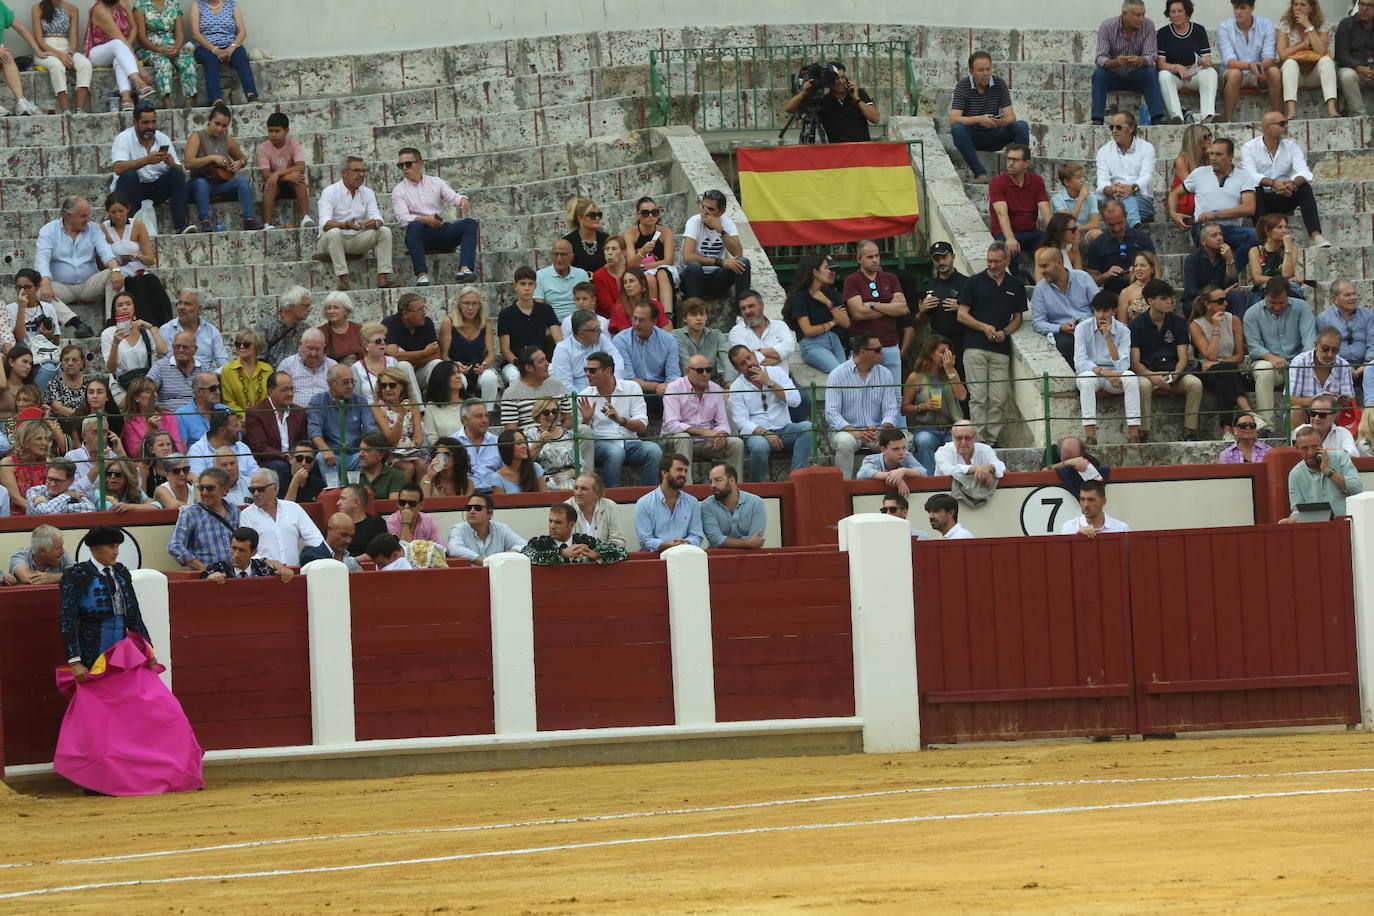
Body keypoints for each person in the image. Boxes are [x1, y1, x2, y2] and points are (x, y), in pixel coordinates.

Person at [956, 241, 1026, 447]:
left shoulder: (1016, 285)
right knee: (978, 397)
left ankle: (991, 441)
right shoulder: (973, 282)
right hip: (975, 346)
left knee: (998, 398)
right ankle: (977, 441)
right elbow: (961, 314)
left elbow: (1018, 318)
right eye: (989, 261)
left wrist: (1005, 332)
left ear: (1007, 260)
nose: (992, 265)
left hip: (1001, 349)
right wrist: (983, 327)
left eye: (996, 261)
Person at [59, 524, 151, 673]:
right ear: (95, 548)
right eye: (111, 547)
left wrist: (148, 650)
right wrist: (75, 661)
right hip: (91, 654)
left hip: (123, 653)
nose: (116, 552)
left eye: (117, 547)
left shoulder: (121, 572)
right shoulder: (77, 574)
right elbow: (67, 620)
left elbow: (134, 616)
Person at [392, 146, 478, 286]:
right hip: (419, 236)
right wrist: (425, 219)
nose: (404, 168)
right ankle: (421, 275)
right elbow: (402, 219)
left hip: (440, 230)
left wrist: (462, 199)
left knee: (469, 223)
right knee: (414, 225)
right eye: (400, 165)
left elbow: (453, 197)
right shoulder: (399, 191)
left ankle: (465, 269)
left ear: (420, 163)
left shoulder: (435, 182)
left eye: (408, 164)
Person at [727, 344, 814, 483]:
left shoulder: (777, 372)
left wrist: (770, 383)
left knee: (807, 427)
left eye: (749, 358)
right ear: (737, 369)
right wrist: (765, 433)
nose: (749, 363)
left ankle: (795, 479)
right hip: (758, 435)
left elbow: (795, 401)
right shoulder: (737, 387)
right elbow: (741, 421)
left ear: (754, 356)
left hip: (784, 429)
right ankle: (760, 488)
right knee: (759, 446)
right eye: (743, 363)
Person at [1130, 278, 1204, 440]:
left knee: (1195, 384)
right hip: (1148, 374)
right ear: (1150, 301)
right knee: (1142, 386)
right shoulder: (1136, 325)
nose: (1169, 301)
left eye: (1170, 297)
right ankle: (1144, 433)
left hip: (1173, 373)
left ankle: (1189, 431)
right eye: (1163, 298)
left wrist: (1176, 373)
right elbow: (1135, 363)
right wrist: (1152, 376)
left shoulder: (1178, 323)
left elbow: (1183, 357)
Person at [1240, 111, 1328, 248]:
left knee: (1304, 187)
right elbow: (1250, 174)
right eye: (1282, 124)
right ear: (1267, 127)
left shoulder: (1291, 146)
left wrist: (1292, 184)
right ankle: (1263, 240)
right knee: (1255, 188)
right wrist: (1274, 183)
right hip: (1263, 199)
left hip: (1285, 194)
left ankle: (1316, 235)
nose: (1286, 126)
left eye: (1286, 123)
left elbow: (1304, 171)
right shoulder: (1249, 148)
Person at [577, 351, 661, 488]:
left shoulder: (632, 388)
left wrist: (621, 421)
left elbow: (642, 426)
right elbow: (582, 437)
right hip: (601, 444)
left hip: (630, 442)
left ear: (608, 371)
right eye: (586, 370)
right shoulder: (584, 396)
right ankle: (612, 498)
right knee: (615, 453)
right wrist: (586, 420)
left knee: (654, 451)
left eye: (592, 370)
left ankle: (649, 496)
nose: (587, 374)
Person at [34, 196, 118, 334]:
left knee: (114, 274)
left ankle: (112, 325)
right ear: (69, 215)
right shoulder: (49, 230)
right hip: (60, 287)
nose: (88, 219)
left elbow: (106, 251)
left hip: (88, 285)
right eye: (83, 216)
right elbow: (41, 259)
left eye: (88, 215)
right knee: (35, 288)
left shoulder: (93, 229)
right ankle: (77, 323)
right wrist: (45, 281)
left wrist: (115, 269)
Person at [1169, 137, 1257, 264]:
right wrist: (1173, 213)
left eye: (1218, 154)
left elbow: (1249, 208)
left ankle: (1232, 272)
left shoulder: (1244, 176)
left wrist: (1215, 213)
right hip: (1204, 227)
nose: (1213, 158)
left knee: (1256, 236)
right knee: (1209, 238)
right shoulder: (1199, 173)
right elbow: (1175, 194)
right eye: (1211, 153)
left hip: (1231, 229)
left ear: (1230, 156)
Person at [1244, 276, 1316, 429]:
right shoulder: (1251, 313)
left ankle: (1312, 423)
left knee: (1312, 363)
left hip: (1298, 363)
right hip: (1270, 363)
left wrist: (1298, 363)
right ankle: (1266, 427)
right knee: (1263, 371)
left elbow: (1310, 342)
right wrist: (1271, 357)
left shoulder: (1302, 308)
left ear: (1288, 296)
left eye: (1281, 303)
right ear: (1265, 295)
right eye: (1272, 302)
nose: (1277, 307)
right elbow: (1254, 347)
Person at [825, 332, 901, 478]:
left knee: (898, 441)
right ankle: (843, 488)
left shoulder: (885, 374)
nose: (882, 352)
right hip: (846, 430)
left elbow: (891, 408)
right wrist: (853, 431)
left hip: (875, 429)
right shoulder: (837, 374)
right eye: (878, 349)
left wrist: (883, 428)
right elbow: (831, 413)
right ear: (862, 352)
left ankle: (893, 481)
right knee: (845, 442)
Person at [948, 50, 1030, 183]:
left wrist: (999, 122)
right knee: (957, 128)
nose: (985, 74)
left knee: (1021, 126)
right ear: (971, 72)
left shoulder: (999, 84)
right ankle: (980, 174)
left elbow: (1011, 117)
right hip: (973, 137)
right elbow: (953, 119)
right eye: (980, 70)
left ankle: (1021, 173)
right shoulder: (963, 86)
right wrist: (979, 119)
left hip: (995, 133)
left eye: (988, 69)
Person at [1076, 290, 1144, 445]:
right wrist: (1104, 372)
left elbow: (1124, 365)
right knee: (1087, 380)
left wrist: (1108, 339)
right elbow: (1080, 362)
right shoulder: (1082, 328)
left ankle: (1134, 435)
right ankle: (1090, 436)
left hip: (1115, 374)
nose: (1101, 315)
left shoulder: (1123, 331)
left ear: (1114, 311)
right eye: (1097, 310)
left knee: (1131, 378)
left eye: (1105, 310)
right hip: (1092, 372)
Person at [111, 103, 190, 236]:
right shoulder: (123, 138)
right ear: (135, 122)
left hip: (156, 188)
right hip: (132, 190)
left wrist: (172, 164)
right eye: (146, 123)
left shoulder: (162, 138)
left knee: (176, 173)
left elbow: (179, 169)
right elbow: (118, 168)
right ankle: (127, 228)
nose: (151, 127)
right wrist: (146, 160)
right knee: (129, 175)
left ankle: (181, 226)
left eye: (153, 122)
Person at [316, 156, 393, 291]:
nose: (361, 174)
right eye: (357, 171)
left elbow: (378, 218)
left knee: (384, 231)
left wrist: (374, 223)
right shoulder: (330, 191)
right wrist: (344, 225)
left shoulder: (367, 192)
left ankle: (383, 279)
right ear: (344, 173)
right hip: (330, 242)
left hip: (356, 238)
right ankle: (344, 281)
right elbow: (325, 223)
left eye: (363, 171)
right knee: (334, 232)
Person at [662, 353, 744, 475]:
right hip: (674, 440)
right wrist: (705, 432)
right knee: (683, 437)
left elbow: (723, 423)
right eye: (700, 371)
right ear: (687, 371)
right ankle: (685, 490)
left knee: (736, 443)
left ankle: (734, 489)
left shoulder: (715, 389)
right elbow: (672, 425)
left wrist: (721, 435)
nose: (705, 374)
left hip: (706, 441)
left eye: (708, 370)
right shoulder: (674, 388)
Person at [1188, 286, 1252, 438]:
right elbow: (1210, 355)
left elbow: (1239, 356)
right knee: (1226, 371)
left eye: (1226, 300)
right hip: (1206, 371)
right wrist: (1216, 327)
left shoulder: (1234, 320)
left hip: (1228, 370)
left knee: (1224, 379)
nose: (1225, 304)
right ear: (1207, 304)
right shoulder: (1195, 325)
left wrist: (1219, 363)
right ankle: (1250, 413)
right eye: (1220, 301)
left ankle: (1227, 430)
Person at [185, 102, 259, 231]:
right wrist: (212, 158)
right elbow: (188, 163)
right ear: (209, 120)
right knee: (201, 184)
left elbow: (243, 158)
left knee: (242, 182)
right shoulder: (197, 137)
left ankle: (249, 219)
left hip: (221, 182)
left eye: (224, 126)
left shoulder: (228, 139)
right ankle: (205, 221)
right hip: (199, 182)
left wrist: (239, 163)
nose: (220, 129)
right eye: (217, 124)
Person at [100, 192, 172, 326]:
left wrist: (137, 256)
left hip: (138, 270)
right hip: (119, 274)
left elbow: (150, 260)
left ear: (128, 209)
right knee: (137, 286)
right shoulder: (103, 229)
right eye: (113, 212)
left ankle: (165, 324)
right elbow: (100, 260)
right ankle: (145, 324)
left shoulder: (138, 226)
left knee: (152, 281)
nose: (118, 216)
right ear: (108, 212)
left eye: (121, 211)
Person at [841, 240, 907, 382]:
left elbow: (902, 309)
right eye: (870, 257)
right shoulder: (851, 280)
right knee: (864, 395)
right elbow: (858, 314)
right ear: (859, 259)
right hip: (864, 349)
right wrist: (889, 307)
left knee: (894, 395)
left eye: (877, 256)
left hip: (890, 346)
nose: (875, 260)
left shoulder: (891, 278)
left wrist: (872, 305)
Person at [902, 334, 968, 475]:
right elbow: (904, 408)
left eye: (948, 352)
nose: (946, 356)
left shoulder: (950, 373)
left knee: (960, 442)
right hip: (926, 428)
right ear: (930, 353)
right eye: (942, 352)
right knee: (924, 441)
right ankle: (929, 481)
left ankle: (956, 479)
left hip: (951, 428)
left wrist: (950, 370)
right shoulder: (915, 377)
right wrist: (922, 406)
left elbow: (962, 396)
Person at [1092, 0, 1166, 125]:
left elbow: (1151, 56)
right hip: (1113, 75)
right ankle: (1097, 119)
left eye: (1143, 14)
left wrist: (1140, 60)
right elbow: (1100, 57)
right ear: (1124, 14)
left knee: (1151, 72)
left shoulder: (1148, 26)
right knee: (1099, 74)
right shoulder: (1107, 26)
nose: (1141, 19)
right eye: (1137, 15)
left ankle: (1157, 117)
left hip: (1136, 75)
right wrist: (1113, 63)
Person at [307, 364, 378, 485]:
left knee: (374, 455)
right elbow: (314, 432)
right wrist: (325, 450)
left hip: (356, 454)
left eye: (352, 382)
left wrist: (367, 450)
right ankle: (336, 492)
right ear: (331, 384)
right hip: (333, 453)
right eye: (345, 382)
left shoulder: (360, 401)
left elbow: (370, 429)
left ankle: (360, 493)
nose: (350, 386)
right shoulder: (317, 401)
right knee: (321, 457)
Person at [988, 143, 1050, 278]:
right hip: (1005, 233)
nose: (1010, 163)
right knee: (1008, 247)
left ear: (1026, 163)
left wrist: (1054, 236)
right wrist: (1010, 238)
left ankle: (1043, 283)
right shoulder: (997, 182)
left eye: (1015, 160)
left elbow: (1045, 210)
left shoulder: (1037, 181)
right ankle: (1015, 282)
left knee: (1050, 244)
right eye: (1009, 159)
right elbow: (1001, 213)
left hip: (1030, 232)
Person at [237, 468, 321, 566]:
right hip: (264, 574)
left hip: (294, 573)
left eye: (260, 489)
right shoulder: (246, 515)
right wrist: (265, 561)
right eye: (252, 490)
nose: (255, 494)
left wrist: (326, 557)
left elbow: (315, 538)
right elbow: (245, 548)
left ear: (275, 488)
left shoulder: (294, 508)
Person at [782, 59, 879, 143]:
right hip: (837, 154)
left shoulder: (858, 93)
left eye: (843, 77)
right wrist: (803, 93)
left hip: (862, 150)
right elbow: (789, 109)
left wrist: (857, 99)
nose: (841, 81)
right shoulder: (823, 101)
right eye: (836, 78)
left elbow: (875, 119)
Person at [1032, 245, 1099, 365]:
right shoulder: (1040, 289)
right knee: (1065, 345)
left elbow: (1100, 306)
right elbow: (1038, 322)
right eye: (1040, 267)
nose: (1041, 271)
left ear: (1059, 263)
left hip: (1091, 328)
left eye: (1045, 266)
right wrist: (1060, 328)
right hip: (1065, 334)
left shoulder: (1083, 277)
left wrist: (1094, 324)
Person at [1218, 0, 1283, 121]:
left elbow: (1269, 56)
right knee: (1235, 74)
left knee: (1274, 72)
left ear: (1252, 8)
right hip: (1231, 72)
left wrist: (1260, 67)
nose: (1238, 12)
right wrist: (1250, 65)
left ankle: (1278, 120)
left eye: (1242, 8)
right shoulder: (1224, 27)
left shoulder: (1266, 24)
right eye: (1235, 8)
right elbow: (1229, 61)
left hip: (1257, 72)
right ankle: (1228, 121)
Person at [680, 190, 750, 302]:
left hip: (717, 278)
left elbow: (738, 253)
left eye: (711, 209)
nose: (705, 212)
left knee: (743, 262)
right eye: (703, 207)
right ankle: (694, 311)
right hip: (693, 278)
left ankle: (743, 311)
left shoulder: (727, 224)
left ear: (722, 211)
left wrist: (720, 230)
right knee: (694, 266)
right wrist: (721, 262)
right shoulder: (694, 222)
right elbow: (687, 257)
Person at [1282, 422, 1362, 518]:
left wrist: (1327, 471)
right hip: (1318, 527)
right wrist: (1291, 520)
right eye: (1305, 448)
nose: (1310, 452)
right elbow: (1297, 511)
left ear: (1321, 444)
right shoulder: (1295, 474)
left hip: (1347, 523)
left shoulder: (1340, 458)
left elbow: (1357, 489)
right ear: (1297, 448)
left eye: (1314, 446)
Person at [1156, 0, 1219, 123]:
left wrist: (1203, 62)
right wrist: (1177, 67)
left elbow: (1207, 58)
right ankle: (1177, 117)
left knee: (1210, 72)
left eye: (1180, 11)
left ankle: (1207, 116)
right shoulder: (1163, 33)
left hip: (1194, 75)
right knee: (1163, 75)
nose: (1176, 14)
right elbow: (1160, 64)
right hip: (1175, 76)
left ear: (1187, 13)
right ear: (1169, 15)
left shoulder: (1199, 30)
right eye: (1172, 12)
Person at [786, 253, 849, 374]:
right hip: (813, 344)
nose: (829, 272)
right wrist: (833, 322)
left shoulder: (831, 294)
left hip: (834, 340)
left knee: (848, 375)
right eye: (825, 268)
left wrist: (827, 302)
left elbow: (846, 323)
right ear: (815, 272)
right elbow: (808, 331)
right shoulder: (800, 297)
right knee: (839, 373)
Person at [86, 0, 155, 110]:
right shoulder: (100, 9)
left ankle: (126, 99)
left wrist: (127, 44)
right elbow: (120, 39)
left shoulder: (123, 3)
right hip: (98, 53)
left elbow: (133, 28)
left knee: (119, 57)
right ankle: (139, 83)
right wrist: (141, 70)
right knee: (117, 44)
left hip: (121, 48)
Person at [167, 466, 239, 570]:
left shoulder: (235, 511)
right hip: (207, 579)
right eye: (201, 488)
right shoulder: (190, 513)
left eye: (210, 488)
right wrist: (205, 569)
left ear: (225, 490)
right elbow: (175, 546)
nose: (204, 492)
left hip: (235, 575)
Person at [1277, 0, 1340, 118]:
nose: (1298, 8)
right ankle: (1291, 111)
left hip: (1314, 74)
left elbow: (1321, 51)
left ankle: (1332, 109)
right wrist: (1303, 44)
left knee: (1327, 61)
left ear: (1311, 7)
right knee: (1289, 63)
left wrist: (1309, 27)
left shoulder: (1322, 25)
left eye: (1302, 5)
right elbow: (1282, 55)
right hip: (1296, 75)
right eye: (1295, 4)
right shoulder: (1285, 25)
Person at [498, 266, 561, 384]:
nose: (527, 288)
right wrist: (520, 365)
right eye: (522, 284)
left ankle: (553, 403)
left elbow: (559, 339)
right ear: (515, 286)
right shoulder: (505, 314)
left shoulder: (546, 310)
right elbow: (505, 349)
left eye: (530, 284)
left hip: (541, 360)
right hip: (514, 363)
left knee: (558, 372)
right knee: (516, 376)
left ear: (535, 286)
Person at [438, 286, 499, 404]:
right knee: (460, 380)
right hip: (457, 367)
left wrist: (484, 366)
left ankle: (487, 413)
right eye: (466, 303)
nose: (470, 308)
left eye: (474, 303)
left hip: (478, 367)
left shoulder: (485, 322)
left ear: (479, 305)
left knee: (490, 378)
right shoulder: (449, 322)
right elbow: (443, 355)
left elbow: (491, 354)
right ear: (460, 305)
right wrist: (455, 366)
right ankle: (460, 415)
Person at [188, 0, 257, 104]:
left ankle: (251, 94)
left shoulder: (231, 4)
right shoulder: (197, 5)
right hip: (205, 46)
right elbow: (195, 34)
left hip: (230, 44)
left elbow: (242, 32)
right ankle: (216, 99)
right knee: (210, 60)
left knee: (241, 56)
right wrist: (215, 50)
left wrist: (231, 48)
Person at [32, 0, 94, 113]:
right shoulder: (37, 8)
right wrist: (59, 55)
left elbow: (74, 38)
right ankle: (65, 110)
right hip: (46, 50)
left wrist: (69, 54)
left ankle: (80, 109)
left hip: (67, 48)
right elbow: (39, 41)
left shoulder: (73, 9)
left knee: (85, 64)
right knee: (57, 65)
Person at [614, 300, 681, 403]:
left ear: (654, 321)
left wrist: (667, 388)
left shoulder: (668, 340)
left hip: (662, 393)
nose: (636, 324)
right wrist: (656, 386)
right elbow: (627, 378)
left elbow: (673, 375)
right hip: (632, 393)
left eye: (641, 320)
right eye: (634, 318)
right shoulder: (620, 340)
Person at [133, 0, 196, 110]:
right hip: (150, 48)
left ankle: (189, 101)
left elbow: (180, 35)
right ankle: (166, 102)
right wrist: (159, 49)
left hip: (172, 46)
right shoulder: (140, 5)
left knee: (188, 61)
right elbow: (141, 38)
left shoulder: (173, 4)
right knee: (163, 62)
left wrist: (176, 48)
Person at [1097, 110, 1156, 225]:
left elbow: (1146, 176)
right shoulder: (1103, 152)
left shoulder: (1147, 148)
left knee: (1122, 203)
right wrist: (1112, 189)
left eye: (1118, 127)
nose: (1114, 131)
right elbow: (1102, 180)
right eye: (1111, 127)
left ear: (1131, 128)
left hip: (1140, 198)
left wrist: (1131, 189)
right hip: (1113, 197)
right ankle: (1135, 226)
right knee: (1118, 202)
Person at [912, 241, 968, 364]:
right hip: (937, 343)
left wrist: (960, 308)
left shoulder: (966, 283)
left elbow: (978, 314)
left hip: (961, 342)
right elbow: (920, 321)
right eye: (937, 259)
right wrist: (923, 311)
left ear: (953, 257)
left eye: (944, 257)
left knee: (960, 381)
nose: (941, 262)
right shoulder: (928, 285)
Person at [634, 452, 703, 552]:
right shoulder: (644, 503)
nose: (683, 474)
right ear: (664, 473)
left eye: (685, 470)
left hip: (685, 556)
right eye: (679, 470)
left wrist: (685, 543)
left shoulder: (692, 502)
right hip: (654, 559)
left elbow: (696, 535)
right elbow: (645, 540)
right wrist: (668, 546)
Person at [1087, 201, 1157, 298]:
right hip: (1112, 297)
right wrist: (1106, 275)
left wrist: (1136, 274)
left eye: (1119, 223)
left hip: (1143, 292)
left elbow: (1156, 268)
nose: (1116, 228)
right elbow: (1090, 280)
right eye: (1111, 225)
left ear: (1126, 216)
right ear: (1104, 221)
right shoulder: (1097, 244)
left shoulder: (1142, 238)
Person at [1288, 329, 1356, 430]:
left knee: (1341, 412)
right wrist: (1312, 402)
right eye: (1325, 349)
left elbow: (1351, 401)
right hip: (1307, 413)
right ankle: (1299, 445)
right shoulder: (1299, 362)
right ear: (1316, 345)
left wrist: (1345, 401)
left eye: (1335, 350)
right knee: (1295, 410)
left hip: (1333, 415)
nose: (1329, 354)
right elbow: (1289, 399)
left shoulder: (1344, 365)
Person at [522, 503, 628, 565]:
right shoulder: (540, 543)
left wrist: (597, 554)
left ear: (571, 525)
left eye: (558, 522)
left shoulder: (585, 543)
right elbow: (525, 556)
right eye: (550, 521)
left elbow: (622, 552)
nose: (552, 526)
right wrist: (561, 553)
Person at [369, 366, 425, 483]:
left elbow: (419, 438)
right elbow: (392, 441)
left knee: (421, 464)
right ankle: (401, 499)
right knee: (408, 468)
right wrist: (401, 414)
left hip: (410, 451)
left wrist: (413, 444)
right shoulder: (377, 407)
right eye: (384, 385)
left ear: (402, 387)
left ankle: (421, 499)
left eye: (392, 385)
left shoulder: (412, 404)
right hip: (389, 453)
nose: (387, 389)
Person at [623, 196, 677, 316]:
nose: (651, 216)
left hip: (663, 271)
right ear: (638, 215)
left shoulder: (665, 232)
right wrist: (642, 252)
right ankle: (652, 316)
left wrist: (643, 264)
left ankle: (667, 316)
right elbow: (631, 263)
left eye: (655, 212)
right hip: (642, 274)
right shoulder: (630, 233)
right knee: (650, 279)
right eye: (646, 213)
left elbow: (668, 261)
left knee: (662, 273)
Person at [1317, 279, 1374, 391]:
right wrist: (1344, 365)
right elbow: (1323, 350)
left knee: (1371, 369)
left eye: (1354, 294)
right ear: (1335, 299)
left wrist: (1366, 365)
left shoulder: (1368, 315)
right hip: (1336, 364)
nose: (1353, 298)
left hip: (1366, 364)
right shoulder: (1323, 319)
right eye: (1347, 295)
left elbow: (1372, 342)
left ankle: (1370, 406)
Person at [257, 111, 310, 228]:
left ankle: (306, 218)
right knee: (270, 184)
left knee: (299, 179)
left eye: (277, 131)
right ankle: (267, 223)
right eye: (270, 131)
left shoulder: (294, 144)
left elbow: (301, 166)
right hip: (276, 184)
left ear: (286, 131)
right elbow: (266, 174)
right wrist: (284, 177)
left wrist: (278, 173)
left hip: (291, 184)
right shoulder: (263, 148)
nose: (273, 134)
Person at [695, 462, 765, 549]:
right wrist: (747, 543)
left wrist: (726, 541)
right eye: (711, 481)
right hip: (718, 559)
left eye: (718, 480)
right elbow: (716, 540)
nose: (712, 485)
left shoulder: (756, 503)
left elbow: (756, 539)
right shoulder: (707, 505)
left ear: (732, 480)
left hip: (750, 558)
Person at [1183, 221, 1248, 315]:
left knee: (1238, 296)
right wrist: (1217, 295)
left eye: (1220, 234)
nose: (1219, 238)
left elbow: (1233, 285)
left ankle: (1237, 329)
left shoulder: (1228, 254)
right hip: (1201, 299)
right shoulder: (1192, 259)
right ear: (1203, 241)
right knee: (1192, 304)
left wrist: (1230, 261)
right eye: (1214, 235)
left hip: (1223, 297)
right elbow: (1192, 290)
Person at [445, 492, 526, 565]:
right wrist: (485, 561)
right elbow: (454, 549)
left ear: (490, 513)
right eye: (468, 508)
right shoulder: (458, 529)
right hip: (470, 577)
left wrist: (503, 557)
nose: (472, 511)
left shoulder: (501, 529)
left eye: (478, 508)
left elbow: (523, 545)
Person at [159, 288, 228, 372]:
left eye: (187, 304)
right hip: (177, 379)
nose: (181, 307)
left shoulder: (211, 331)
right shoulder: (166, 330)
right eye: (180, 303)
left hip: (205, 380)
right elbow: (167, 363)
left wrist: (212, 376)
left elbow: (223, 363)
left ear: (199, 309)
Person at [501, 345, 570, 430]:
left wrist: (558, 436)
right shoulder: (511, 394)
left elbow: (568, 419)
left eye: (546, 359)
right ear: (529, 368)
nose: (547, 364)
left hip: (559, 439)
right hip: (530, 441)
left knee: (583, 429)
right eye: (541, 361)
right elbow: (511, 433)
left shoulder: (557, 386)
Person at [353, 319, 419, 404]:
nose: (383, 343)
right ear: (366, 346)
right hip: (370, 413)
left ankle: (420, 411)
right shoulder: (356, 368)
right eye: (378, 341)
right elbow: (356, 400)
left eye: (384, 340)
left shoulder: (392, 362)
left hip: (394, 411)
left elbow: (403, 391)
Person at [729, 290, 797, 371]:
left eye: (751, 306)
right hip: (753, 382)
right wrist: (780, 357)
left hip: (783, 381)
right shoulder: (736, 332)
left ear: (762, 306)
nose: (747, 311)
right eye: (743, 308)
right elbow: (745, 361)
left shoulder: (780, 325)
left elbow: (789, 348)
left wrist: (758, 353)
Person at [200, 526, 293, 583]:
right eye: (234, 548)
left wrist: (287, 573)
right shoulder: (218, 568)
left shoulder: (264, 570)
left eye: (242, 550)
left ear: (253, 552)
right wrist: (209, 578)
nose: (236, 555)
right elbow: (203, 578)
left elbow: (284, 575)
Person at [934, 419, 1008, 487]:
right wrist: (976, 469)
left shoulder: (985, 449)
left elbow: (1001, 467)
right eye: (959, 438)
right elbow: (948, 470)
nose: (963, 442)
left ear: (975, 437)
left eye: (967, 438)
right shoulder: (943, 451)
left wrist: (990, 467)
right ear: (952, 437)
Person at [0, 419, 52, 514]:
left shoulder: (47, 462)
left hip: (44, 512)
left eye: (45, 438)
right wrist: (39, 512)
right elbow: (15, 498)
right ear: (26, 441)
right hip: (16, 517)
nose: (44, 443)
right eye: (39, 439)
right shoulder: (7, 463)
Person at [673, 298, 732, 381]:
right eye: (693, 315)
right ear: (684, 318)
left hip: (712, 383)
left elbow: (728, 360)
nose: (699, 318)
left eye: (702, 314)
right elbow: (686, 365)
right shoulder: (677, 335)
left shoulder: (716, 335)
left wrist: (729, 383)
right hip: (687, 385)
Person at [186, 408, 255, 479]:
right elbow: (197, 482)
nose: (240, 429)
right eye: (235, 426)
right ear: (222, 430)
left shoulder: (242, 447)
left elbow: (255, 476)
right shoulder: (197, 451)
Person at [564, 471, 627, 548]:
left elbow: (619, 540)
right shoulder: (565, 508)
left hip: (602, 559)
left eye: (584, 489)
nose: (578, 493)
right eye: (576, 488)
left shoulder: (611, 507)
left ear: (597, 493)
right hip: (575, 558)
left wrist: (599, 552)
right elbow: (559, 541)